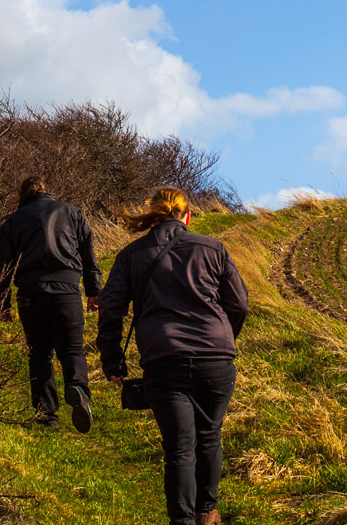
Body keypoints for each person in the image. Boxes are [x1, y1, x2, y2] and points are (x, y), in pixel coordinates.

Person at [97, 188, 250, 525]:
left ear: (153, 215)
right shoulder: (214, 248)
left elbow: (111, 308)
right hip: (216, 360)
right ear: (187, 216)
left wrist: (112, 360)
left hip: (164, 360)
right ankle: (207, 512)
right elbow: (239, 304)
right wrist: (224, 340)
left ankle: (181, 520)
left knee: (179, 448)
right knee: (209, 436)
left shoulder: (131, 255)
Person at [0, 175, 102, 433]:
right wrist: (94, 291)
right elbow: (89, 255)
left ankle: (46, 413)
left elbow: (3, 266)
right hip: (67, 290)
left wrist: (1, 302)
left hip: (31, 293)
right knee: (72, 349)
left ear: (23, 195)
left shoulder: (12, 222)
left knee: (39, 353)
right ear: (47, 192)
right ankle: (78, 389)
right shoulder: (72, 213)